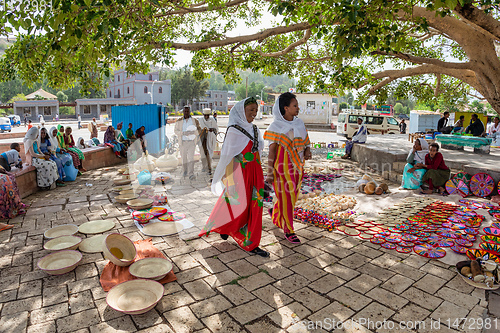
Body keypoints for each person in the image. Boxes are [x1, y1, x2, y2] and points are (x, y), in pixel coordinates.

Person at [199, 97, 269, 257]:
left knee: (255, 207)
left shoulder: (256, 130)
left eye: (256, 110)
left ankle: (251, 242)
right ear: (240, 111)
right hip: (238, 174)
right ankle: (225, 227)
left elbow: (258, 152)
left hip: (255, 173)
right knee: (233, 203)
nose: (254, 113)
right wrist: (228, 179)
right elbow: (227, 157)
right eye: (250, 109)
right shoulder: (234, 130)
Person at [264, 93, 312, 244]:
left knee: (291, 198)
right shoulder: (276, 127)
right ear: (285, 108)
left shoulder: (299, 124)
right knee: (287, 198)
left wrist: (308, 150)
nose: (298, 108)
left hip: (297, 167)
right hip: (281, 169)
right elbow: (272, 151)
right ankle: (289, 229)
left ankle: (275, 212)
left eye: (297, 105)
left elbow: (305, 141)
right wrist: (269, 172)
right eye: (295, 106)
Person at [174, 106, 201, 180]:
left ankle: (191, 173)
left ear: (190, 112)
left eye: (187, 111)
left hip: (191, 142)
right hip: (182, 142)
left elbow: (199, 130)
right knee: (184, 159)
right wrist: (183, 133)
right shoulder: (179, 121)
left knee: (190, 158)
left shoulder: (194, 120)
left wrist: (193, 132)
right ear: (183, 112)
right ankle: (184, 171)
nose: (186, 113)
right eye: (185, 111)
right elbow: (175, 131)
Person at [199, 108, 218, 175]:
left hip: (210, 138)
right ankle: (204, 167)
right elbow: (200, 127)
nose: (206, 117)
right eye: (205, 115)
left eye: (208, 115)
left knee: (208, 153)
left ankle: (209, 169)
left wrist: (212, 129)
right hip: (202, 138)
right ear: (203, 114)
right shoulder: (200, 120)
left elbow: (216, 129)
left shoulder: (212, 120)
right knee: (203, 153)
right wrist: (207, 129)